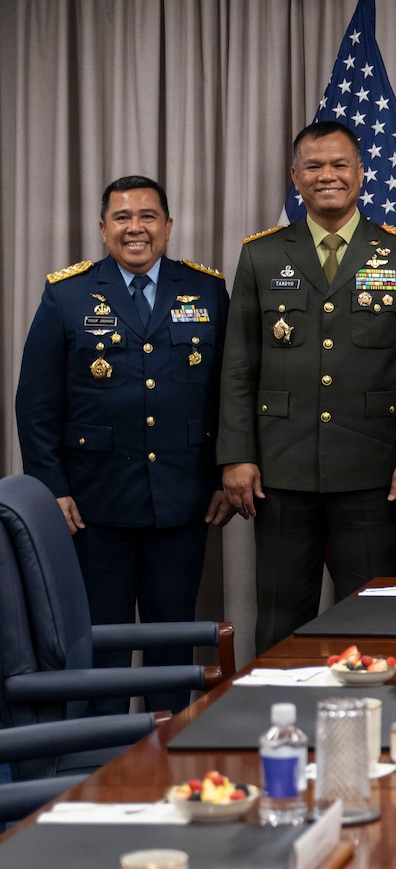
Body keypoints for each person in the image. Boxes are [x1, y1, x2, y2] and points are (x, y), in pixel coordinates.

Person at [218, 121, 396, 654]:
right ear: (295, 178)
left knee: (369, 614)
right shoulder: (262, 255)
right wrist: (237, 455)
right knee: (279, 616)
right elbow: (239, 366)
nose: (327, 176)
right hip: (281, 468)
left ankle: (370, 725)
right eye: (314, 166)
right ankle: (276, 725)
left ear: (361, 174)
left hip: (372, 467)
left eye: (340, 164)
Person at [16, 175, 232, 713]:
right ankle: (100, 757)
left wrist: (227, 472)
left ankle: (168, 745)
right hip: (94, 505)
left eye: (148, 216)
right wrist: (52, 491)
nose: (136, 228)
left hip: (183, 499)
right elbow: (36, 405)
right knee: (99, 640)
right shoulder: (67, 294)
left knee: (172, 639)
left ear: (168, 225)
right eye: (122, 217)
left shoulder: (205, 289)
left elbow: (233, 391)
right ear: (103, 228)